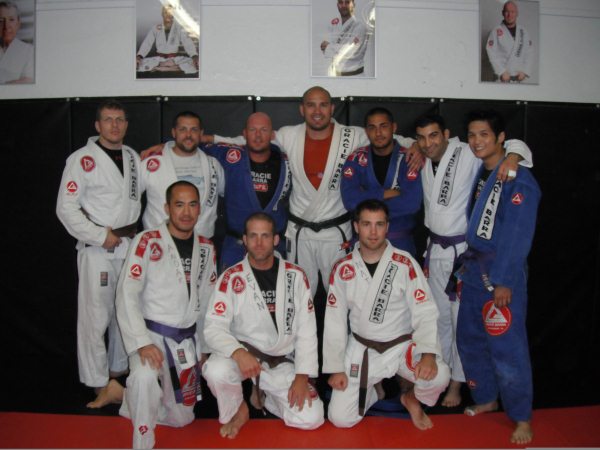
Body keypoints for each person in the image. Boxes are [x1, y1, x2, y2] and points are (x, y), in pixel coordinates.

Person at [415, 113, 533, 408]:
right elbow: (404, 141)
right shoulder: (429, 156)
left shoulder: (470, 153)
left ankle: (461, 386)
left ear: (446, 134)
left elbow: (514, 144)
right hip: (443, 253)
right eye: (422, 138)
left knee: (476, 329)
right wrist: (414, 146)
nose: (428, 143)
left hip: (466, 254)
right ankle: (446, 380)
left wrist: (514, 156)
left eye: (434, 136)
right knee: (447, 323)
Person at [323, 199, 450, 430]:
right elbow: (334, 321)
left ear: (387, 227)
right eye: (367, 224)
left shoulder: (404, 263)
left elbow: (425, 311)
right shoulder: (343, 268)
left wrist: (428, 354)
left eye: (379, 224)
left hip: (400, 347)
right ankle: (370, 391)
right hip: (363, 349)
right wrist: (335, 367)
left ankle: (411, 398)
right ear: (356, 226)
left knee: (439, 375)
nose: (373, 232)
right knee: (340, 419)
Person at [457, 110, 540, 444]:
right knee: (470, 339)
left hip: (501, 273)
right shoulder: (484, 170)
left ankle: (521, 417)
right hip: (475, 271)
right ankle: (487, 398)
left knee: (507, 348)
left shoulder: (518, 179)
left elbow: (518, 234)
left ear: (501, 138)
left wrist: (504, 280)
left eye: (484, 135)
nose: (477, 141)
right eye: (472, 135)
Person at [203, 212, 324, 439]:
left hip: (280, 361)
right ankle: (237, 409)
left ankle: (267, 397)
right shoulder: (231, 278)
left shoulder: (296, 276)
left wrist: (302, 375)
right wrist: (238, 352)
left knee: (312, 418)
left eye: (265, 236)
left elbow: (307, 330)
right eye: (253, 236)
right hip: (244, 358)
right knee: (215, 370)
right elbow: (213, 327)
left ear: (276, 239)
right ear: (244, 240)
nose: (259, 243)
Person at [116, 181, 217, 449]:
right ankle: (142, 438)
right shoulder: (147, 241)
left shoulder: (206, 247)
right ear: (167, 208)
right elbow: (127, 293)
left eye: (192, 205)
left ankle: (129, 402)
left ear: (200, 209)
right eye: (179, 204)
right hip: (151, 335)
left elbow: (207, 300)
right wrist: (141, 342)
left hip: (185, 341)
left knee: (182, 419)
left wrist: (205, 346)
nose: (186, 212)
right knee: (144, 378)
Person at [56, 100, 142, 408]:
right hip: (98, 249)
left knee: (125, 311)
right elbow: (65, 208)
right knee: (96, 317)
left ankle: (117, 371)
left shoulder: (132, 157)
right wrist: (99, 235)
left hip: (128, 245)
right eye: (108, 120)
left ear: (126, 125)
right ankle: (96, 381)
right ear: (97, 125)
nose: (114, 125)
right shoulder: (82, 160)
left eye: (120, 120)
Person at [203, 112, 291, 271]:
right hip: (236, 246)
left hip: (274, 246)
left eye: (263, 130)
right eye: (252, 130)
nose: (258, 135)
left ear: (272, 135)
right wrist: (166, 147)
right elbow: (188, 144)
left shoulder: (286, 159)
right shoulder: (231, 155)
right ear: (244, 134)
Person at [341, 107, 423, 256]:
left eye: (383, 126)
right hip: (365, 244)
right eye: (372, 128)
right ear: (366, 131)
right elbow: (350, 201)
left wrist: (366, 199)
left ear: (394, 127)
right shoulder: (356, 159)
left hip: (400, 243)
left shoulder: (408, 158)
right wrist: (385, 194)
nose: (378, 133)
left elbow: (411, 203)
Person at [142, 111, 223, 240]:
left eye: (194, 130)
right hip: (158, 240)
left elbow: (244, 141)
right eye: (183, 129)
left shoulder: (213, 164)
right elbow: (130, 199)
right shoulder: (150, 163)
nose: (188, 135)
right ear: (174, 132)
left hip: (202, 241)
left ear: (201, 133)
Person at [136, 4, 198, 74]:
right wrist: (139, 56)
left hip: (175, 59)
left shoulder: (179, 28)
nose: (168, 15)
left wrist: (194, 56)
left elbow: (188, 43)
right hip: (159, 59)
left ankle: (160, 67)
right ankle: (173, 68)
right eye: (166, 13)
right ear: (162, 14)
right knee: (139, 64)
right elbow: (147, 43)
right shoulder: (156, 28)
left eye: (170, 13)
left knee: (194, 64)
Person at [486, 1, 534, 83]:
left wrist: (525, 71)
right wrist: (501, 71)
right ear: (502, 13)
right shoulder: (496, 31)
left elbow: (530, 52)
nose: (510, 15)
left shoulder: (523, 32)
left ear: (517, 13)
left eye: (512, 12)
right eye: (507, 11)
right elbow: (491, 52)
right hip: (502, 78)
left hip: (519, 77)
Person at [320, 0, 369, 77]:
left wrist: (329, 47)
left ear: (353, 5)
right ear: (337, 5)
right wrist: (335, 48)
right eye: (341, 2)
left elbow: (350, 51)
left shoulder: (360, 26)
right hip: (336, 75)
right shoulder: (334, 24)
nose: (343, 5)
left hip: (355, 76)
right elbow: (323, 46)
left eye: (347, 2)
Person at [0, 1, 34, 84]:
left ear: (18, 23)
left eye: (11, 20)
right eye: (1, 20)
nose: (6, 26)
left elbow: (29, 80)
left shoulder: (29, 51)